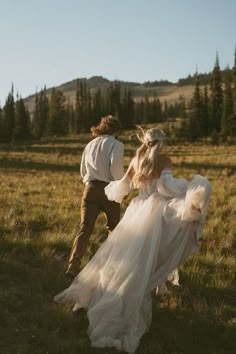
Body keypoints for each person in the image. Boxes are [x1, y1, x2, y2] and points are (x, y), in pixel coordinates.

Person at [54, 126, 211, 353]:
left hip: (137, 210)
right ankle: (132, 296)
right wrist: (189, 188)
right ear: (162, 142)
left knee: (120, 256)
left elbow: (124, 185)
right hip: (155, 212)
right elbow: (166, 187)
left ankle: (94, 296)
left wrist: (115, 190)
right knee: (150, 255)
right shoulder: (164, 160)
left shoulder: (138, 158)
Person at [66, 115, 124, 276]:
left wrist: (90, 183)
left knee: (84, 228)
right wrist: (121, 187)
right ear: (116, 130)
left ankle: (73, 265)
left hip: (90, 189)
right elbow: (116, 170)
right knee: (114, 229)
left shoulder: (90, 144)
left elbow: (83, 171)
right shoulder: (116, 145)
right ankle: (112, 268)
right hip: (109, 191)